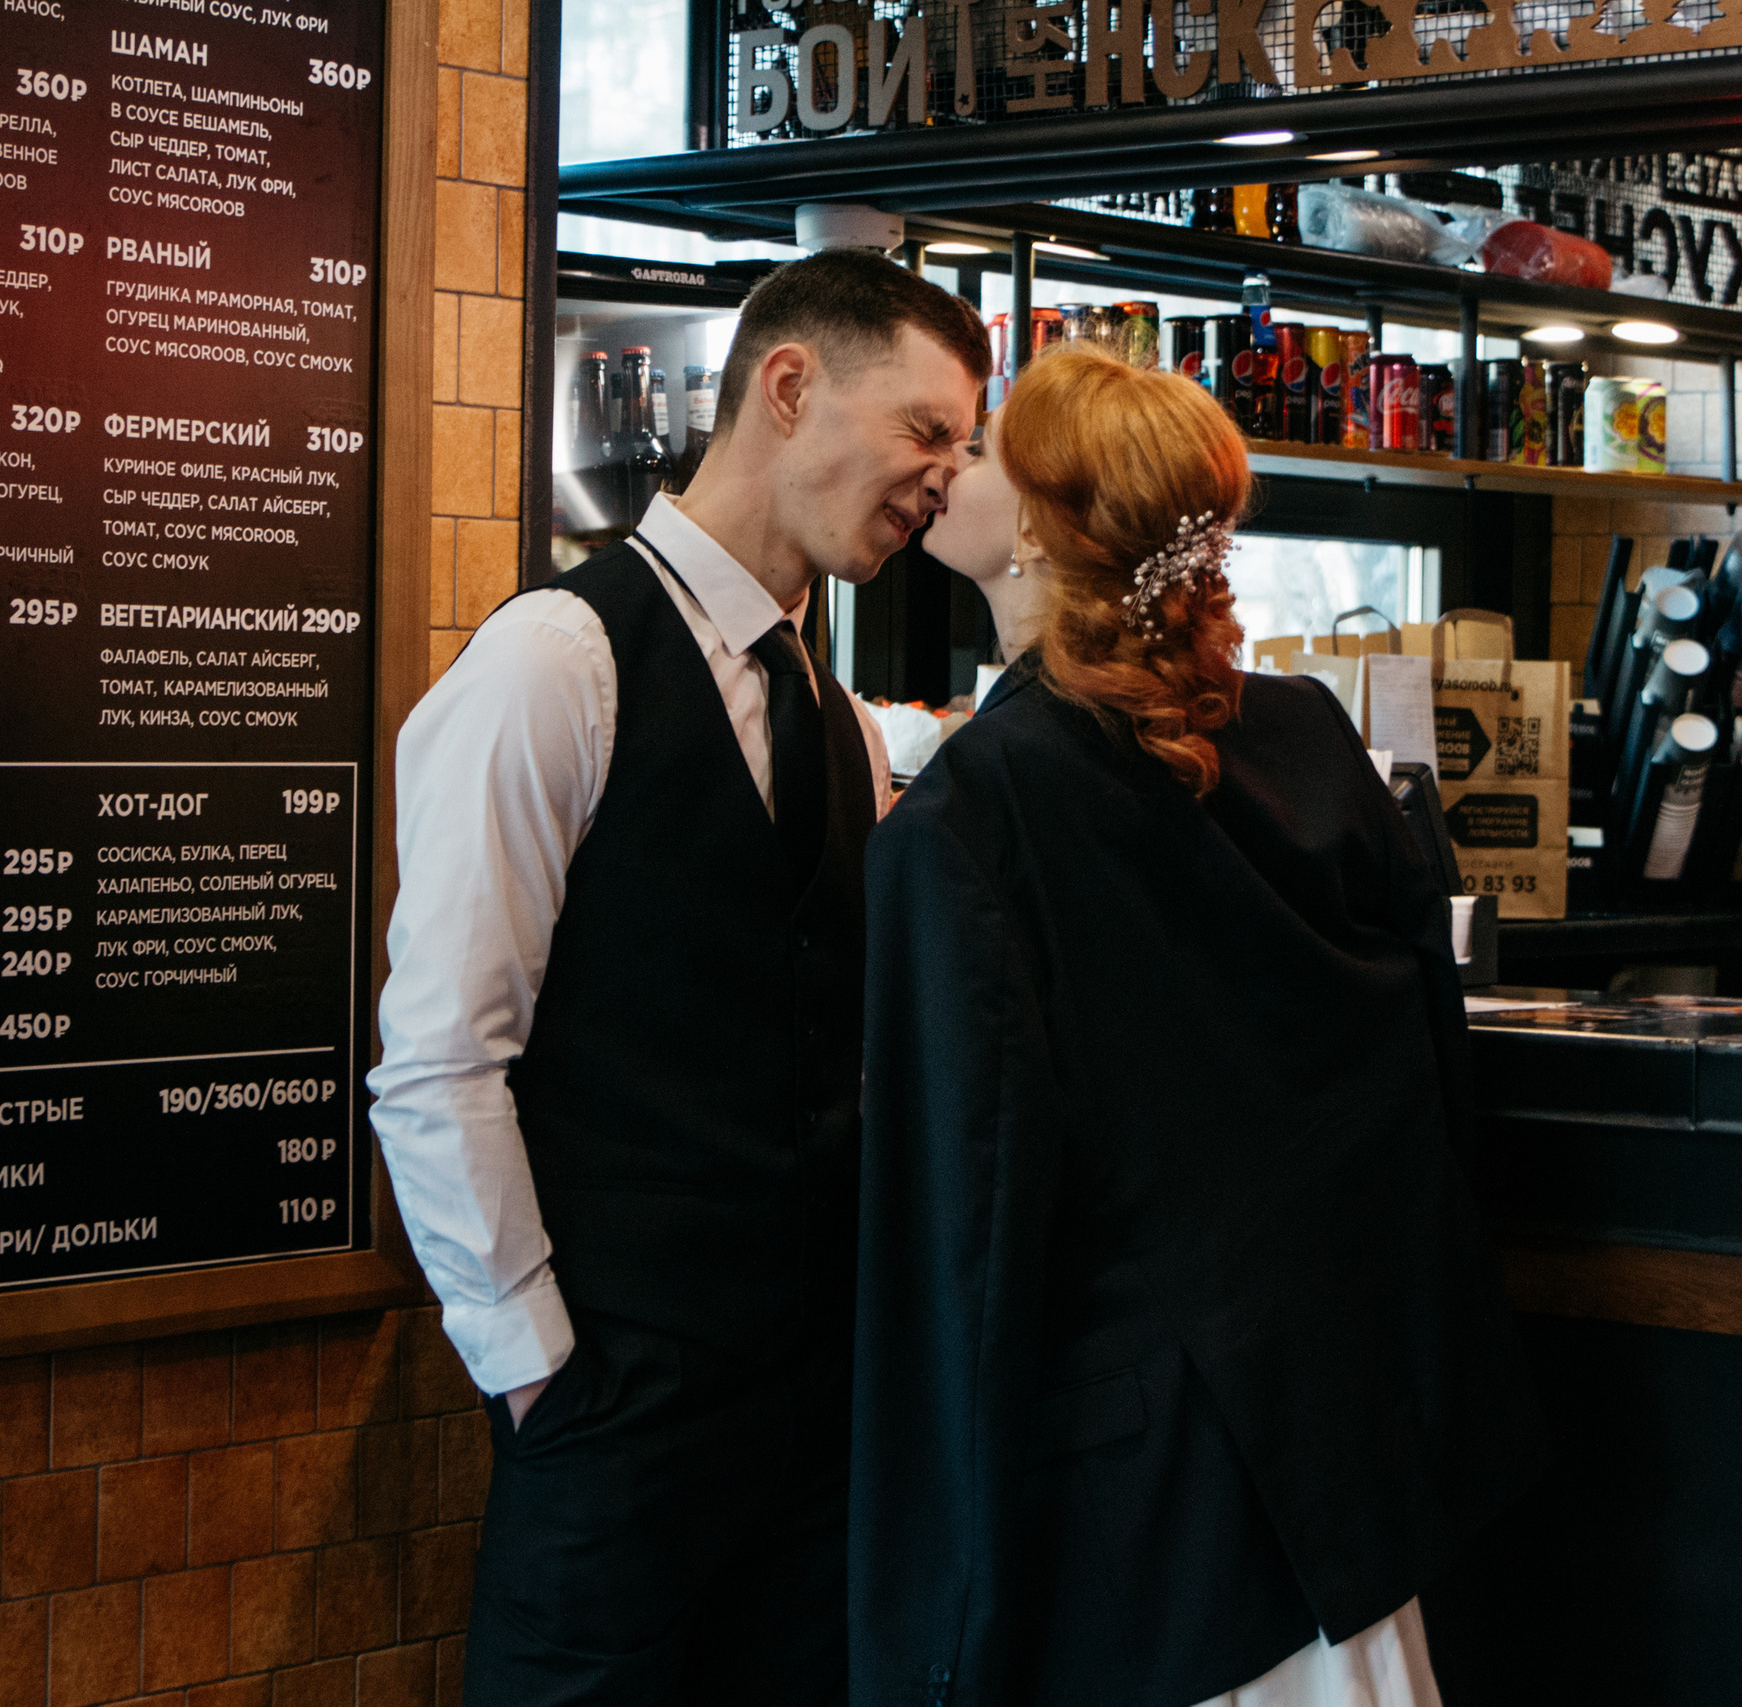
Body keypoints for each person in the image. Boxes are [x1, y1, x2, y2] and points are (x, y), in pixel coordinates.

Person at [855, 344, 1549, 1706]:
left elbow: (965, 1225)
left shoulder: (980, 814)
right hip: (1349, 1464)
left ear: (1047, 531)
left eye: (986, 450)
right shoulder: (1308, 739)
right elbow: (1430, 1076)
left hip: (1138, 1520)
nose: (950, 465)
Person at [367, 248, 990, 1706]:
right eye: (926, 431)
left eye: (960, 451)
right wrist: (544, 1380)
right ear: (789, 387)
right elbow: (442, 1059)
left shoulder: (839, 720)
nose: (944, 483)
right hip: (616, 1421)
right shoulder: (555, 661)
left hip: (811, 1441)